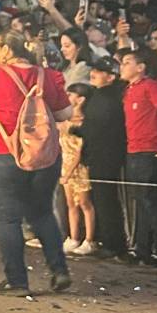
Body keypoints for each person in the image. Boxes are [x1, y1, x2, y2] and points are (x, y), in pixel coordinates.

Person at [0, 30, 71, 294]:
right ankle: (59, 270)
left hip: (1, 154)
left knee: (8, 219)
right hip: (44, 156)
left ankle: (17, 280)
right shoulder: (46, 75)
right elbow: (64, 113)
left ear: (6, 51)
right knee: (43, 213)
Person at [119, 47, 157, 265]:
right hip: (133, 149)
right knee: (140, 200)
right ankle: (141, 247)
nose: (122, 66)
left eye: (127, 62)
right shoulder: (129, 90)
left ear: (141, 67)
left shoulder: (151, 87)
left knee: (151, 200)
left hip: (151, 150)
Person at [80, 58, 129, 255]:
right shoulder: (100, 95)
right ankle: (107, 239)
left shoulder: (107, 98)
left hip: (104, 154)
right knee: (102, 198)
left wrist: (78, 130)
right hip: (100, 152)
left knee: (105, 198)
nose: (94, 73)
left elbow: (98, 127)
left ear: (110, 77)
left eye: (100, 71)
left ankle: (112, 242)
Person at [60, 87, 96, 254]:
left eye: (70, 94)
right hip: (65, 165)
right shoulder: (65, 120)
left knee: (84, 202)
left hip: (79, 168)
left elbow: (79, 151)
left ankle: (89, 239)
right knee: (70, 203)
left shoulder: (82, 121)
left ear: (80, 99)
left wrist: (68, 172)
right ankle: (73, 237)